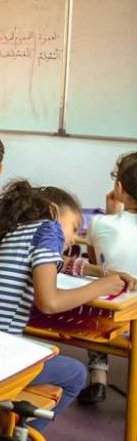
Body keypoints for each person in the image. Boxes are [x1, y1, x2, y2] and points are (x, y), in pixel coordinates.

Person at [0, 181, 133, 435]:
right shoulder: (49, 230)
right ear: (52, 212)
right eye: (73, 227)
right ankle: (14, 436)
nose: (72, 238)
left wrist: (101, 272)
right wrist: (101, 286)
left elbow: (61, 262)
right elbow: (49, 303)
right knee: (74, 373)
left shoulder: (11, 230)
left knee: (43, 352)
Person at [80, 151, 137, 404]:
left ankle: (98, 379)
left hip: (111, 312)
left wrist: (110, 215)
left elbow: (97, 264)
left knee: (98, 291)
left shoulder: (99, 223)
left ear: (120, 187)